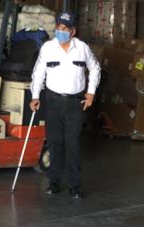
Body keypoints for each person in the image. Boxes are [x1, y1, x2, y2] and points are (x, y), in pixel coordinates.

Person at [29, 11, 101, 199]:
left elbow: (95, 68)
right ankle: (53, 183)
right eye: (58, 27)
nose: (60, 31)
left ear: (72, 31)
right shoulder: (48, 48)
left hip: (75, 104)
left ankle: (74, 186)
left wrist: (91, 92)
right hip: (53, 102)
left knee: (73, 144)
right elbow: (38, 73)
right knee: (54, 143)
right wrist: (35, 96)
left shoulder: (82, 48)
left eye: (64, 28)